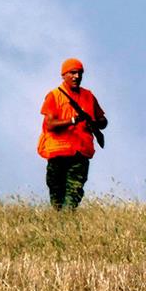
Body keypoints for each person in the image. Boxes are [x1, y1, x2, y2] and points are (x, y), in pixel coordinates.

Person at [37, 58, 108, 210]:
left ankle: (66, 221)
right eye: (72, 73)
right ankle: (60, 225)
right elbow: (50, 124)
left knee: (73, 194)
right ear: (63, 75)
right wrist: (73, 120)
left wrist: (94, 123)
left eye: (80, 73)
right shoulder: (54, 95)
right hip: (58, 152)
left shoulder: (88, 96)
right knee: (56, 196)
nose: (77, 76)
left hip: (79, 154)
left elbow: (103, 121)